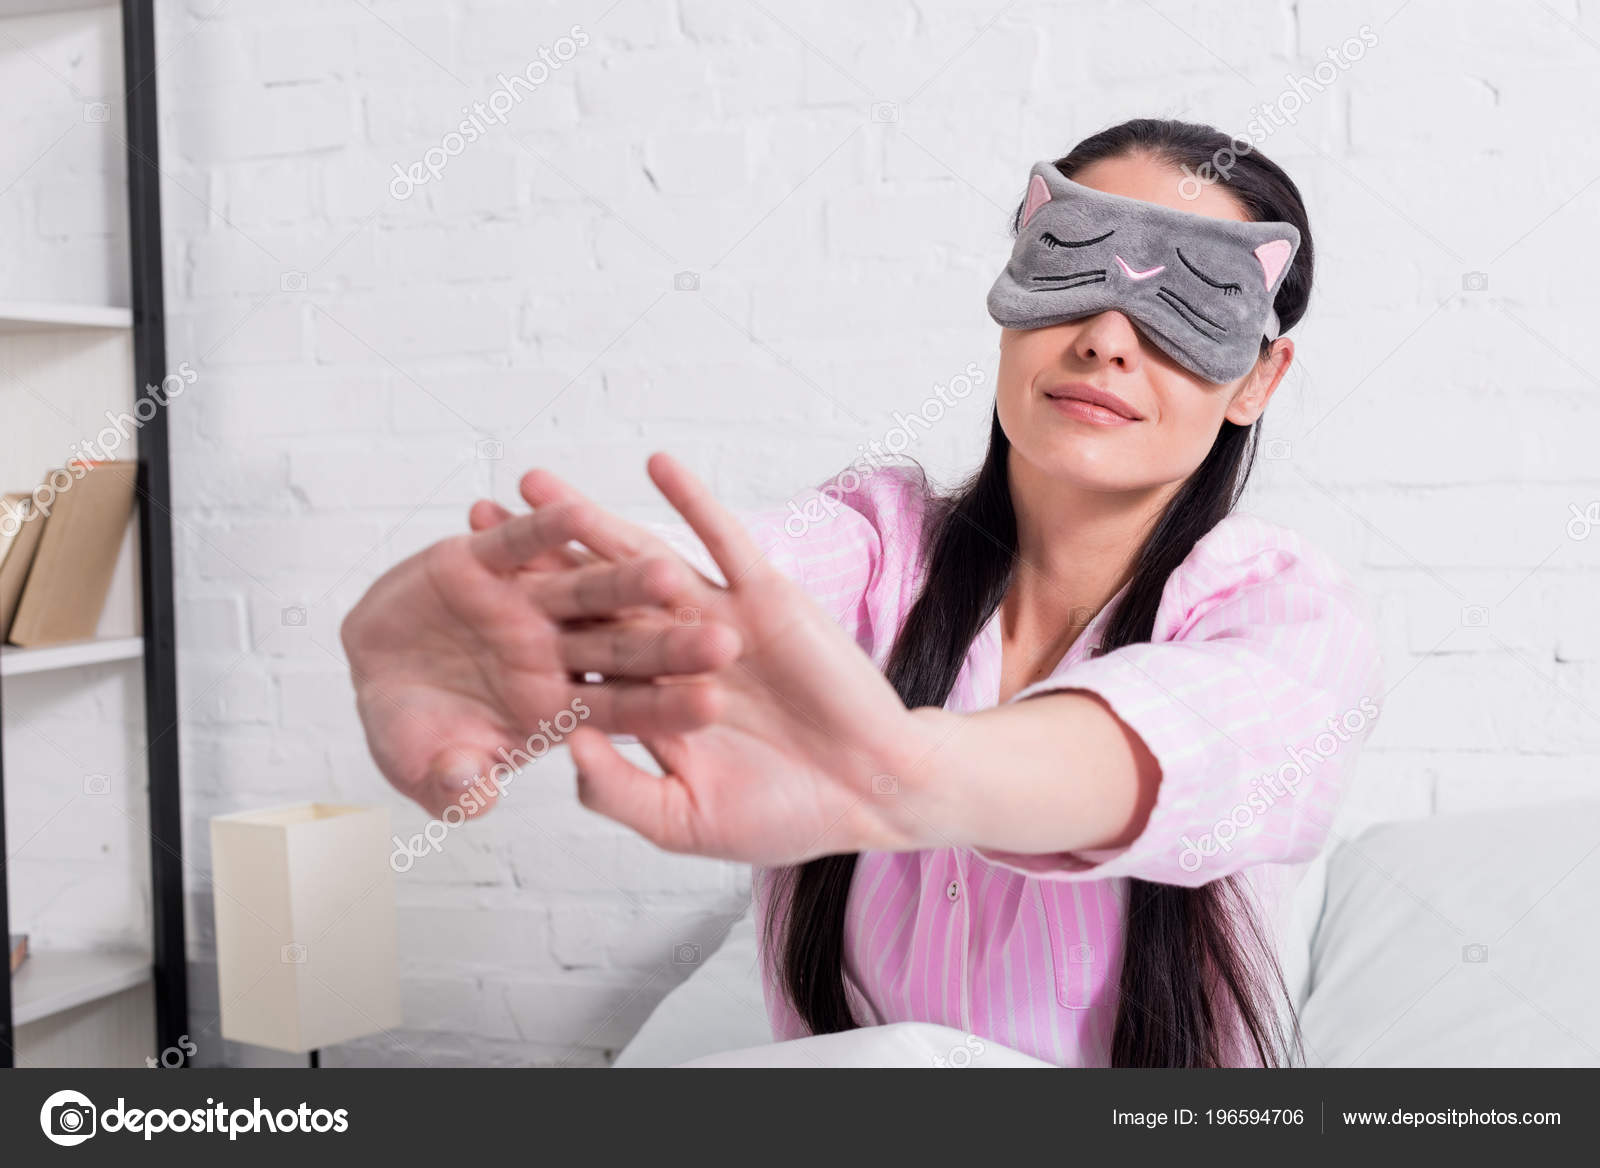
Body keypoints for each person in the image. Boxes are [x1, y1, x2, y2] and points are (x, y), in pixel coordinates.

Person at [341, 118, 1384, 1067]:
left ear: (1257, 378)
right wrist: (531, 605)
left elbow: (1214, 737)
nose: (1108, 337)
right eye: (1073, 266)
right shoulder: (880, 548)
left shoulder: (1284, 621)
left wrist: (909, 774)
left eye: (1185, 301)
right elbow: (735, 583)